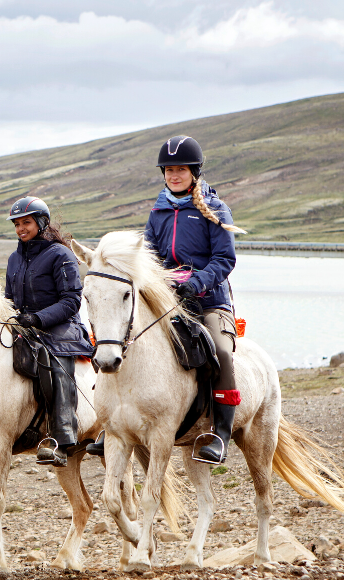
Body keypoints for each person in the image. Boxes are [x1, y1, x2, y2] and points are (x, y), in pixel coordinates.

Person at [146, 135, 246, 463]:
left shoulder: (215, 209)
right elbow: (149, 257)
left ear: (194, 172)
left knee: (220, 351)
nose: (174, 175)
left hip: (209, 300)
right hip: (170, 300)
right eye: (169, 170)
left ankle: (221, 434)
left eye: (181, 169)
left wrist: (197, 283)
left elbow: (224, 259)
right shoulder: (158, 212)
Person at [5, 197, 94, 467]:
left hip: (61, 327)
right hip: (26, 325)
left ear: (41, 223)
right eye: (17, 224)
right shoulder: (13, 258)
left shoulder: (61, 255)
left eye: (27, 223)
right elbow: (8, 298)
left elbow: (71, 301)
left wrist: (39, 318)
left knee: (56, 364)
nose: (21, 228)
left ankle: (63, 437)